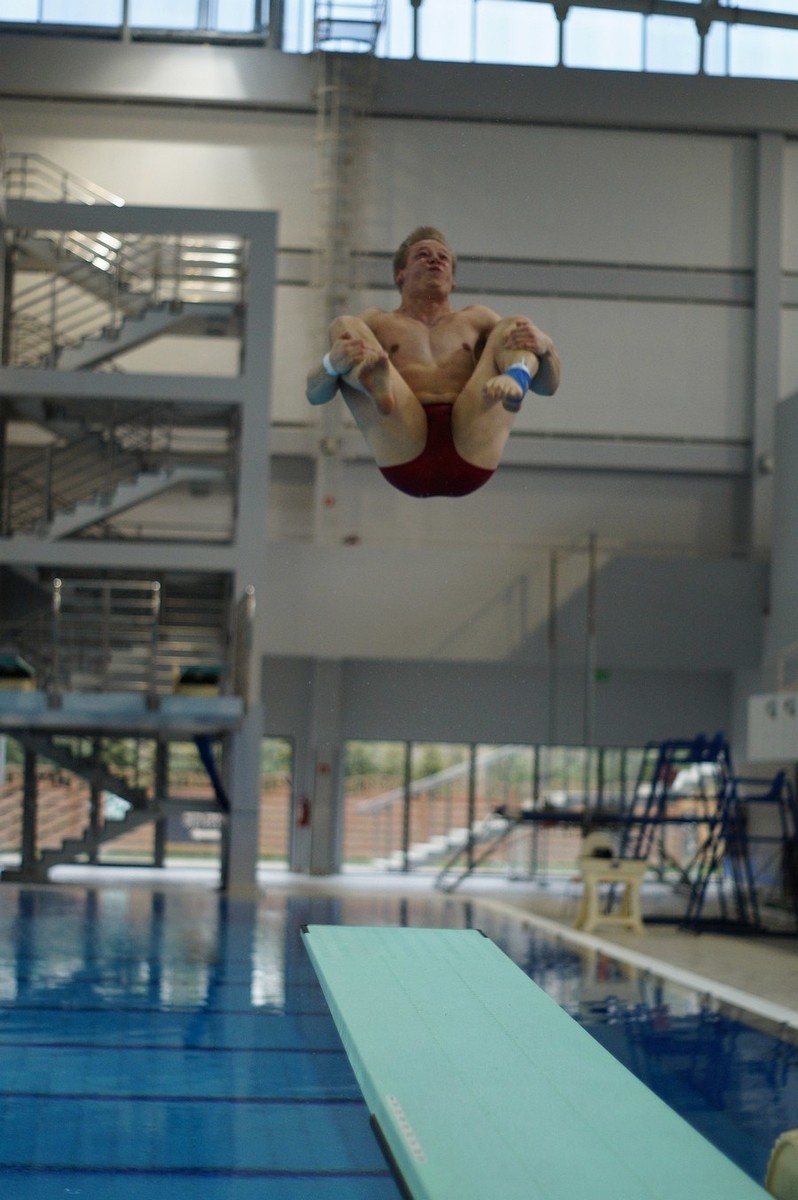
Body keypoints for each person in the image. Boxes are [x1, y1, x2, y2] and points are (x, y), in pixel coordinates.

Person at [305, 226, 560, 498]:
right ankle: (368, 381)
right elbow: (315, 395)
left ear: (453, 281)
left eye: (443, 257)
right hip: (403, 440)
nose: (435, 260)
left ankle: (517, 375)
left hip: (470, 440)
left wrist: (546, 347)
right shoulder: (377, 322)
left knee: (516, 324)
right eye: (423, 255)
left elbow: (548, 386)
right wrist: (332, 364)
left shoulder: (477, 320)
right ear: (400, 274)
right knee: (345, 324)